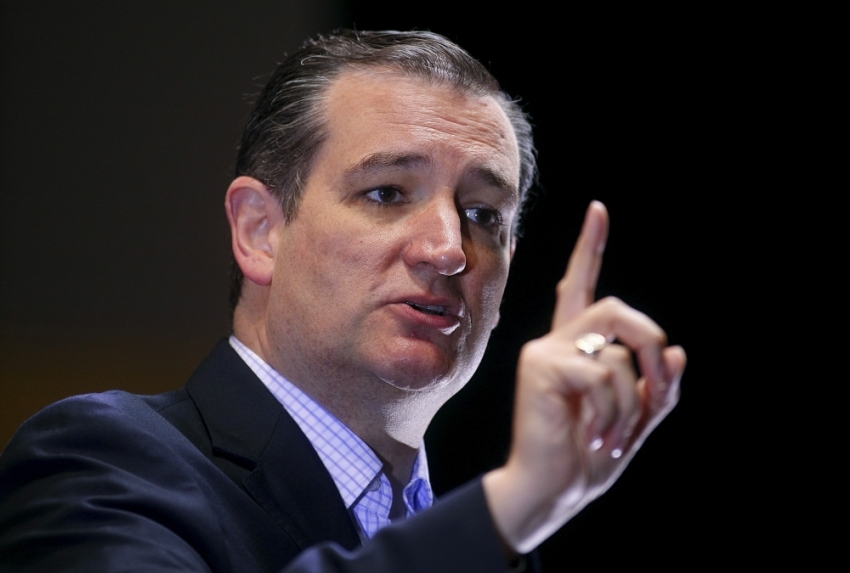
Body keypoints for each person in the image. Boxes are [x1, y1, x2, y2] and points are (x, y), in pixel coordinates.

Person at [0, 30, 685, 572]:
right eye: (387, 192)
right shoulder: (101, 460)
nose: (449, 249)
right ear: (259, 232)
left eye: (482, 214)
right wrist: (509, 507)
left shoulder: (490, 544)